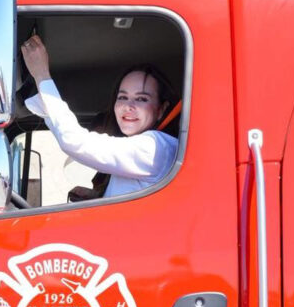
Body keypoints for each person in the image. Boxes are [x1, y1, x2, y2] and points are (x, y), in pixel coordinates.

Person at [20, 35, 178, 199]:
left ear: (161, 109)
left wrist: (41, 74)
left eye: (142, 99)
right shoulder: (143, 150)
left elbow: (75, 142)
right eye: (122, 97)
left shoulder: (155, 148)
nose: (128, 106)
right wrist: (98, 196)